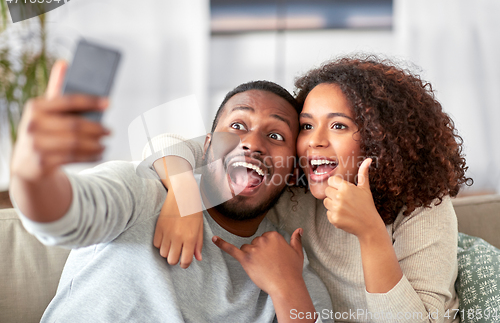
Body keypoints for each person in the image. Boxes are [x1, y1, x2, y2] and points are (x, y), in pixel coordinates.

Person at [149, 55, 472, 323]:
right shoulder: (290, 186)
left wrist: (371, 233)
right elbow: (169, 144)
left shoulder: (422, 207)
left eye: (339, 126)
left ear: (381, 139)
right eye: (306, 126)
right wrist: (183, 196)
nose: (315, 140)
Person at [9, 60, 333, 323]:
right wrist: (31, 171)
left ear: (293, 171)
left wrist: (286, 288)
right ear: (206, 147)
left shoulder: (291, 269)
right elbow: (61, 217)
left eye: (276, 136)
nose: (251, 143)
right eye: (236, 126)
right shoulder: (144, 191)